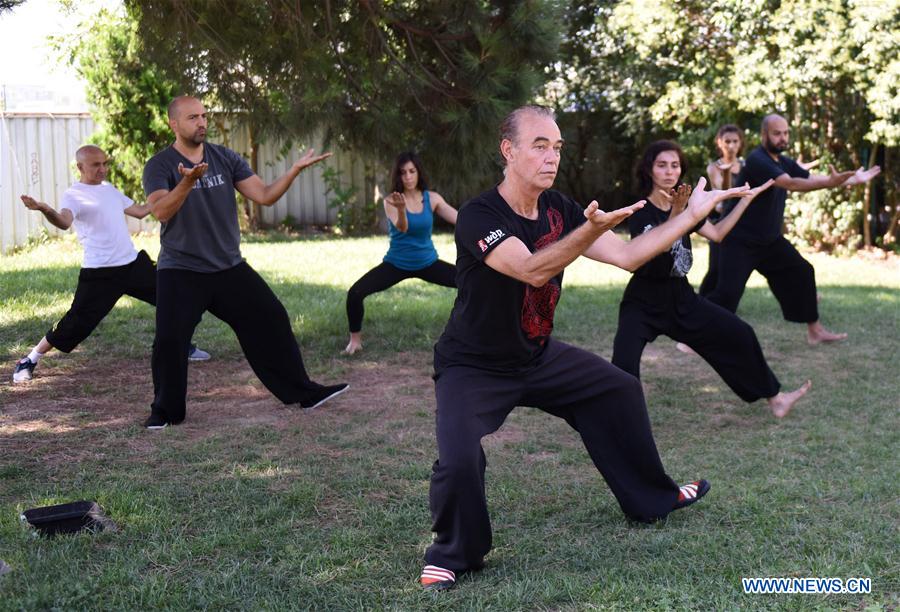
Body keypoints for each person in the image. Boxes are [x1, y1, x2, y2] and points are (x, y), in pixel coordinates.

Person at [418, 105, 750, 591]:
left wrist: (690, 217)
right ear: (508, 151)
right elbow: (531, 268)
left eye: (557, 147)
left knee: (618, 389)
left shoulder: (561, 210)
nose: (551, 157)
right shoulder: (478, 214)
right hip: (473, 364)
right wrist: (589, 231)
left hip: (536, 353)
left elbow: (630, 256)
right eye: (539, 145)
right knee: (459, 455)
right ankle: (455, 553)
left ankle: (653, 498)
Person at [141, 96, 348, 429]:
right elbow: (161, 211)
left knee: (272, 318)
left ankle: (303, 392)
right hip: (181, 268)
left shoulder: (224, 157)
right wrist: (187, 181)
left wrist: (293, 171)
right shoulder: (160, 165)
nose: (202, 122)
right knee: (170, 340)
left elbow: (264, 195)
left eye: (204, 116)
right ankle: (165, 411)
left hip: (228, 267)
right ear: (174, 124)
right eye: (193, 117)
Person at [611, 140, 811, 418]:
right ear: (649, 170)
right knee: (623, 363)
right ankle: (620, 420)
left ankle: (775, 399)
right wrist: (677, 213)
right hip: (643, 299)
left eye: (675, 165)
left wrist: (745, 202)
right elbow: (647, 251)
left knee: (740, 333)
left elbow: (718, 234)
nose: (669, 172)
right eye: (661, 165)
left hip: (681, 297)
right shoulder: (639, 209)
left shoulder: (685, 206)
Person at [12, 145, 211, 384]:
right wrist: (45, 209)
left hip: (132, 264)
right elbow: (64, 222)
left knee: (176, 298)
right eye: (96, 165)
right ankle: (30, 359)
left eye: (105, 164)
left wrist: (178, 188)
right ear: (80, 167)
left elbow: (140, 211)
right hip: (100, 272)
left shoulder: (110, 190)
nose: (102, 169)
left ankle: (181, 345)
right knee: (75, 322)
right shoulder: (74, 194)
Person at [706, 114, 881, 345]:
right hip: (739, 240)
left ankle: (815, 331)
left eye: (786, 133)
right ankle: (693, 337)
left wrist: (850, 180)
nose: (783, 138)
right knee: (727, 294)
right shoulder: (758, 159)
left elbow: (809, 176)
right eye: (777, 133)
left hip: (769, 241)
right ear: (764, 135)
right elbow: (792, 183)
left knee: (802, 272)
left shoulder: (781, 160)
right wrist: (832, 182)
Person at [344, 152, 458, 355]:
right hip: (397, 263)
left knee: (470, 281)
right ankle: (355, 341)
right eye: (403, 172)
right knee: (355, 293)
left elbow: (461, 219)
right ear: (398, 176)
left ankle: (469, 331)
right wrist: (402, 209)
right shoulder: (391, 201)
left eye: (412, 171)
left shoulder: (432, 199)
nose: (408, 177)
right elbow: (402, 228)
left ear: (418, 172)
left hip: (428, 262)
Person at [697, 124, 745, 297]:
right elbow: (725, 195)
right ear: (719, 143)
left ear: (740, 143)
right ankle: (701, 299)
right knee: (716, 267)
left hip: (741, 221)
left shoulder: (747, 165)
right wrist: (726, 174)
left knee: (735, 267)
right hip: (720, 220)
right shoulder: (713, 167)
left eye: (735, 141)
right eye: (727, 141)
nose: (731, 146)